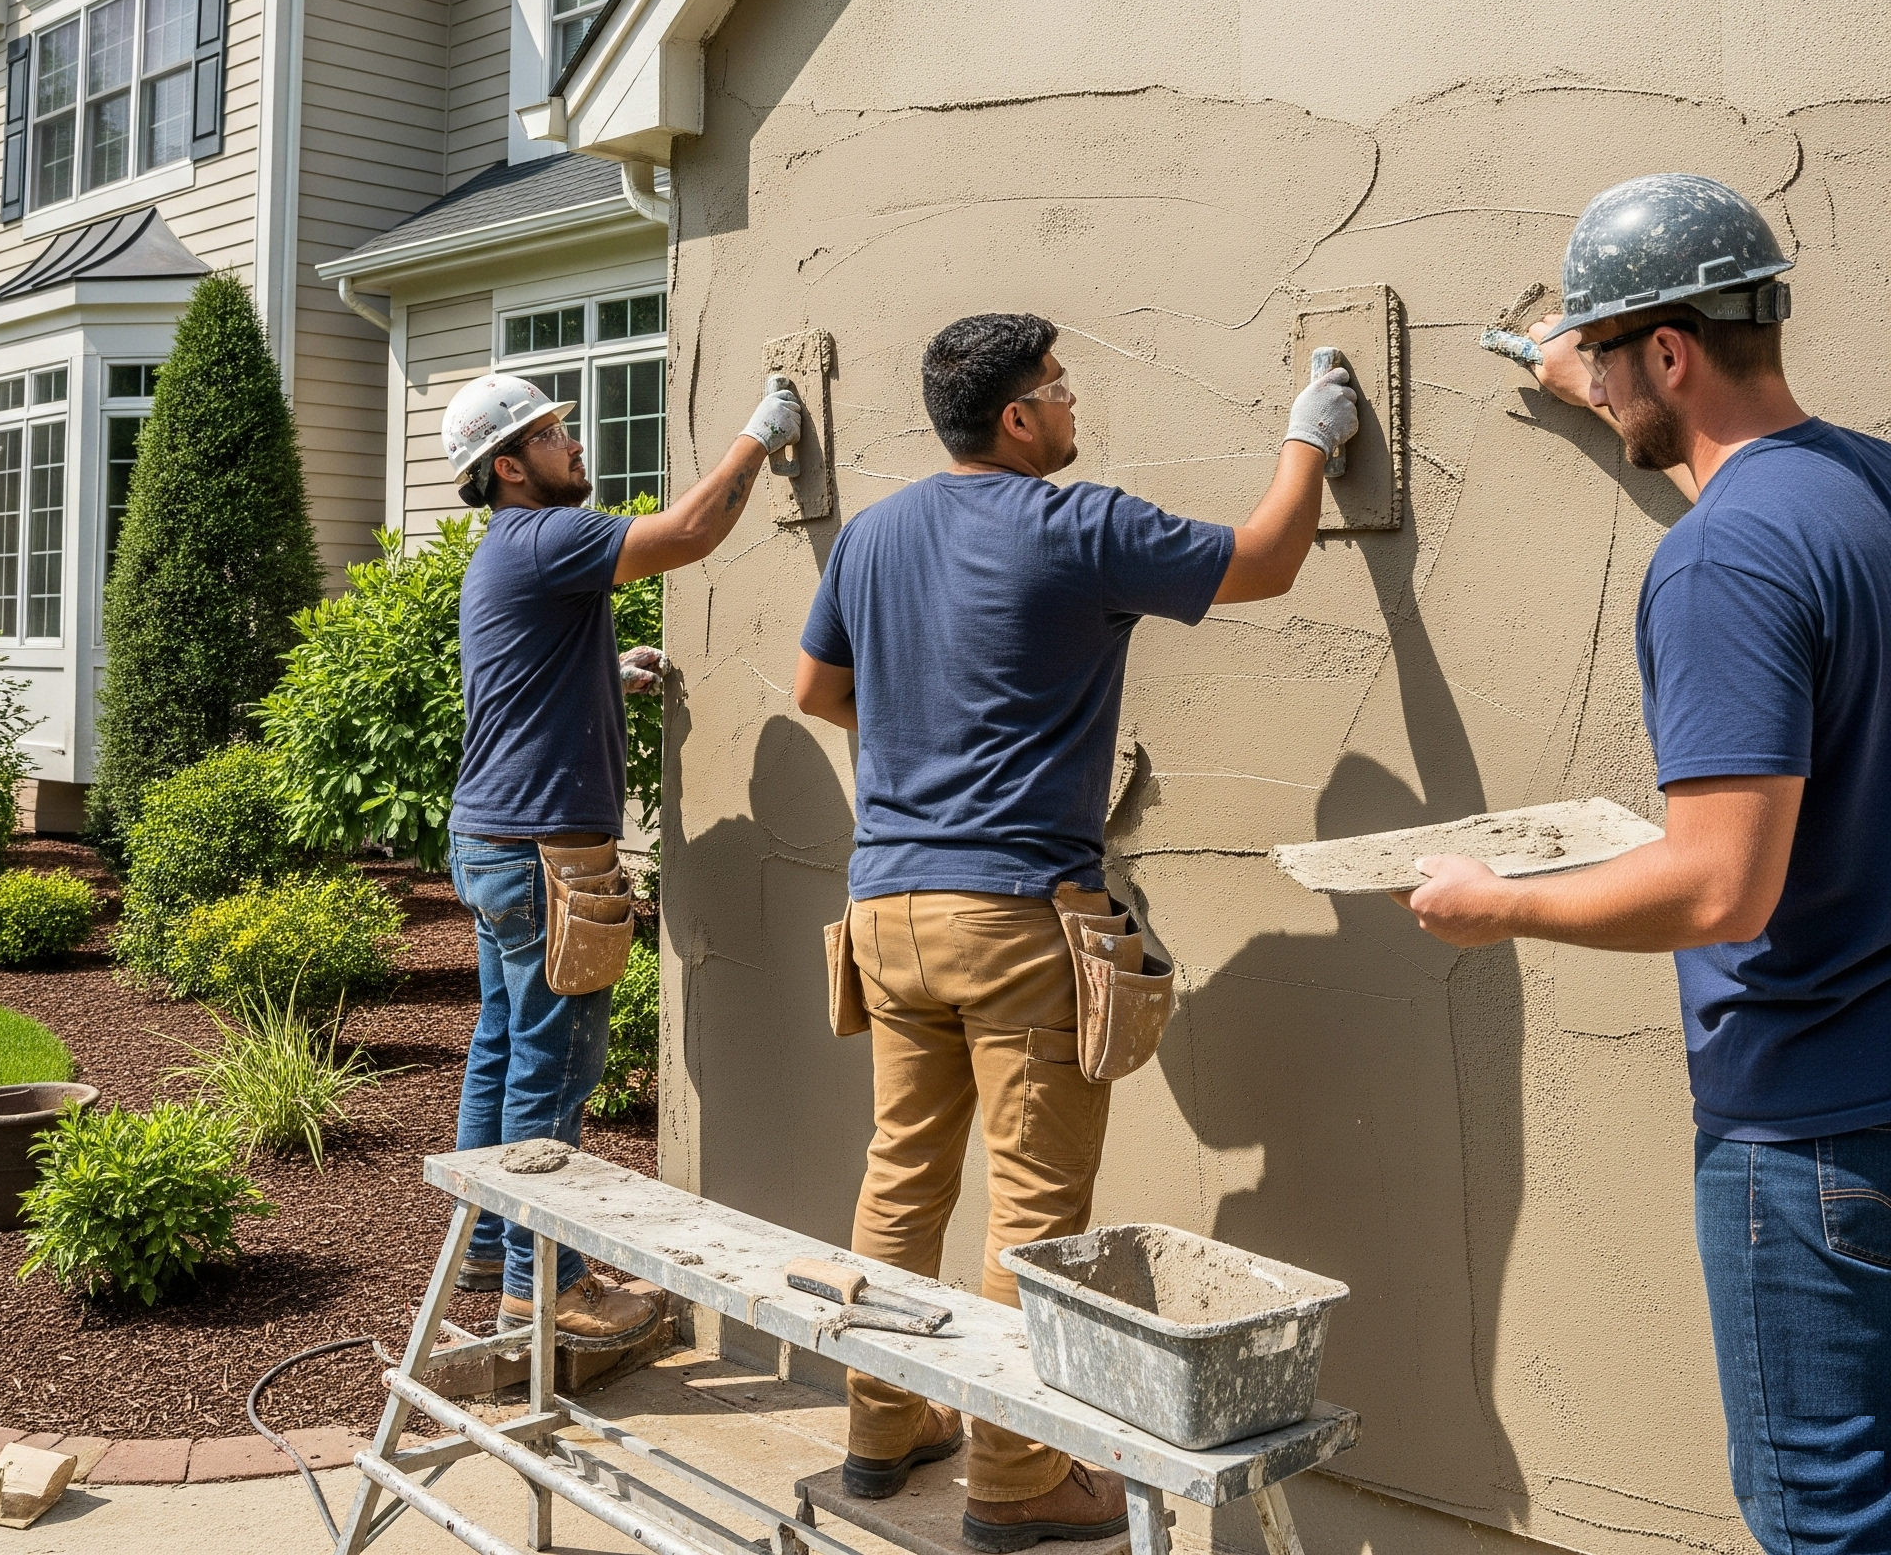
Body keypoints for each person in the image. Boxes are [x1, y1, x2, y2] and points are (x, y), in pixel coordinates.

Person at [793, 313, 1358, 1551]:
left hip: (884, 907)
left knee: (902, 1171)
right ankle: (1014, 1477)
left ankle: (883, 1430)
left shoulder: (875, 533)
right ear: (1013, 417)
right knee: (1033, 1208)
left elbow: (817, 691)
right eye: (1055, 389)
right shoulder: (1076, 524)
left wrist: (925, 764)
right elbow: (1264, 558)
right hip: (1012, 919)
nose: (1069, 406)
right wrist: (1310, 433)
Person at [1408, 174, 1891, 1554]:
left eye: (1614, 359)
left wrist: (1495, 903)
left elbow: (1719, 886)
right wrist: (1594, 384)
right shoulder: (1866, 490)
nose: (1601, 385)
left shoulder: (1722, 564)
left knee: (1826, 1515)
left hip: (1806, 1134)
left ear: (1670, 355)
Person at [440, 367, 802, 1349]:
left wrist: (610, 668)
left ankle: (484, 1241)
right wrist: (761, 434)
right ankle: (541, 1286)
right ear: (509, 466)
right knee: (556, 1063)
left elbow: (526, 671)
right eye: (551, 433)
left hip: (490, 835)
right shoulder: (551, 533)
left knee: (504, 1042)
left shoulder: (504, 550)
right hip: (542, 849)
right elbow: (685, 533)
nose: (573, 440)